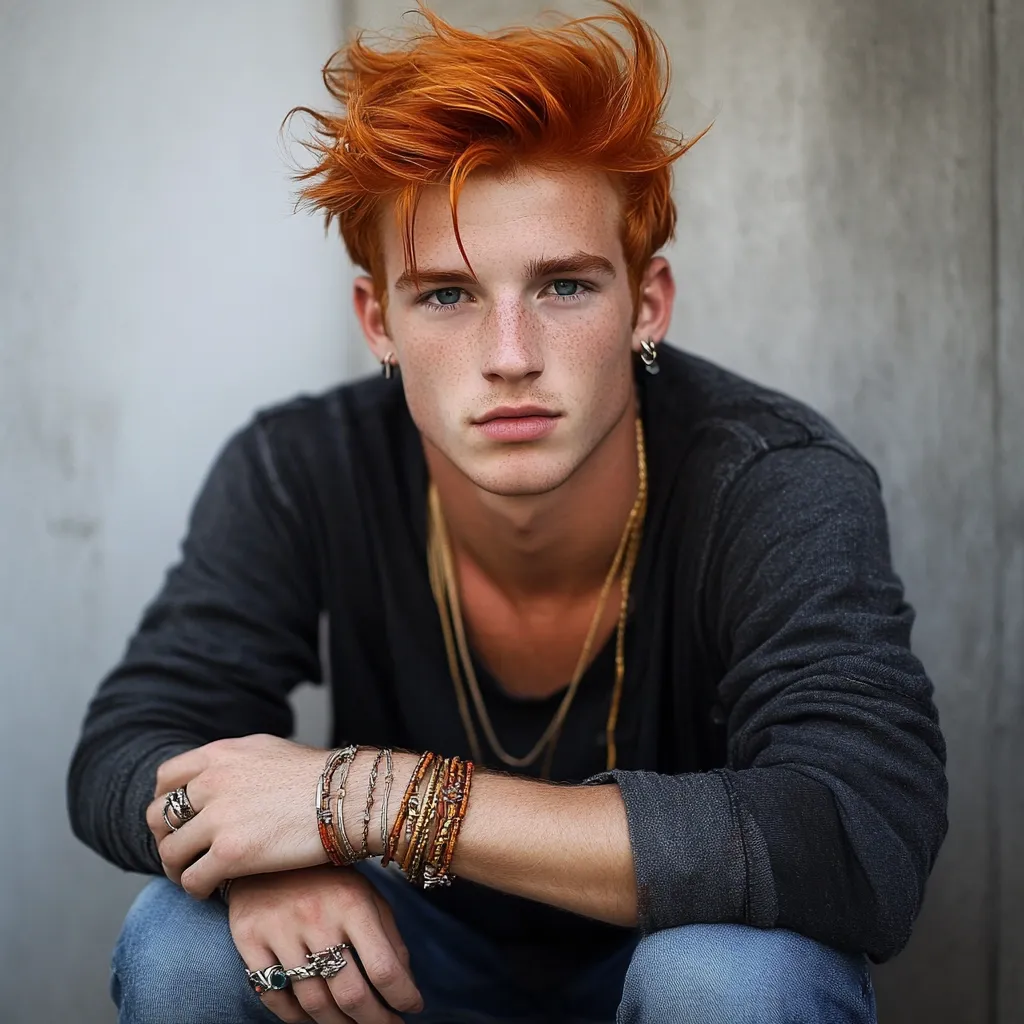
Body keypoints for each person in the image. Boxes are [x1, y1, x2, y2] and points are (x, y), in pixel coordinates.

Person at [67, 3, 948, 1022]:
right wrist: (251, 858)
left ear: (647, 304)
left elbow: (857, 828)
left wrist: (366, 801)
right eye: (446, 296)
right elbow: (132, 739)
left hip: (663, 952)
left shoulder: (770, 480)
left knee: (734, 978)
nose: (511, 356)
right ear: (377, 321)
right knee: (186, 942)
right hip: (401, 957)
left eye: (564, 286)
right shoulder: (302, 467)